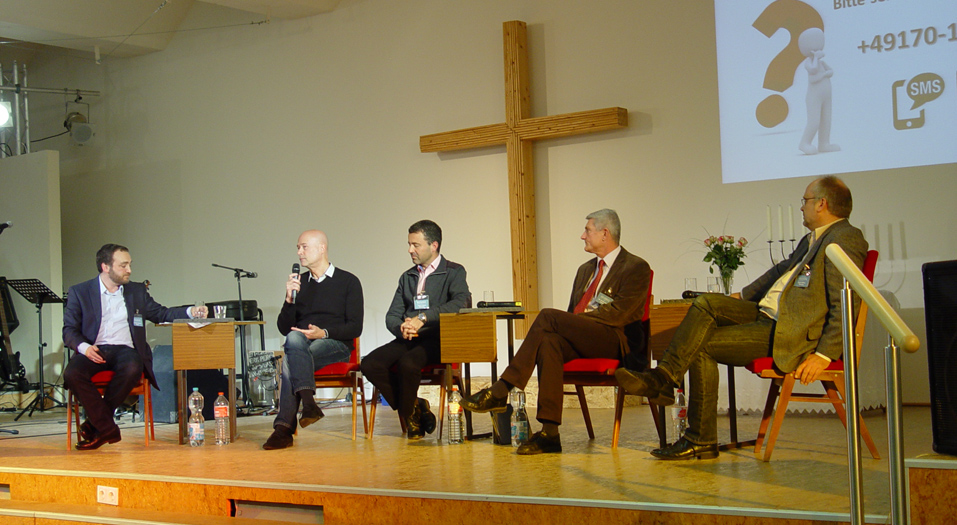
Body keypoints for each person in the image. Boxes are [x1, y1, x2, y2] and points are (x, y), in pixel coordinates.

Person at [615, 176, 866, 460]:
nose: (801, 207)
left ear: (822, 203)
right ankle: (665, 378)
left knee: (702, 347)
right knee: (707, 302)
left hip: (788, 331)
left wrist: (824, 353)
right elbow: (780, 270)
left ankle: (697, 433)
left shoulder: (845, 237)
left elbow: (848, 300)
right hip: (766, 315)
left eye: (805, 201)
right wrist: (740, 296)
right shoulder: (813, 239)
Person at [461, 209, 651, 455]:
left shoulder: (636, 266)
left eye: (588, 230)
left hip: (615, 339)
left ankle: (501, 389)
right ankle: (550, 433)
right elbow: (573, 311)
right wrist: (575, 324)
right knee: (550, 341)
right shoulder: (585, 270)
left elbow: (620, 314)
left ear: (605, 234)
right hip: (586, 335)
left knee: (548, 315)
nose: (583, 236)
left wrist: (577, 322)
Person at [63, 244, 206, 450]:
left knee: (132, 367)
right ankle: (107, 428)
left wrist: (191, 311)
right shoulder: (80, 292)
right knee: (72, 373)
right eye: (123, 265)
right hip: (94, 348)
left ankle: (97, 425)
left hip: (125, 350)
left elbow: (161, 313)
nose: (129, 270)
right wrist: (84, 347)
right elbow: (69, 330)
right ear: (105, 267)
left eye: (129, 264)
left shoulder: (136, 291)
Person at [360, 220, 471, 440]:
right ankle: (415, 407)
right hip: (409, 337)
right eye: (409, 244)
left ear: (434, 245)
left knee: (408, 364)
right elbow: (392, 314)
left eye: (416, 245)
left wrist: (423, 318)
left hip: (438, 338)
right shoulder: (407, 276)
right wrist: (401, 326)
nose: (410, 250)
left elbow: (461, 303)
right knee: (370, 364)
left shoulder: (453, 272)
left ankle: (411, 418)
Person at [263, 230, 364, 450]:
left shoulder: (348, 281)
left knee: (291, 360)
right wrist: (289, 300)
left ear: (322, 248)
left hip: (335, 343)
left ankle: (284, 428)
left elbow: (356, 327)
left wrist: (323, 332)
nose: (299, 252)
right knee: (293, 338)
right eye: (298, 247)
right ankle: (308, 404)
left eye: (304, 247)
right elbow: (284, 328)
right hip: (301, 343)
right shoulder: (300, 284)